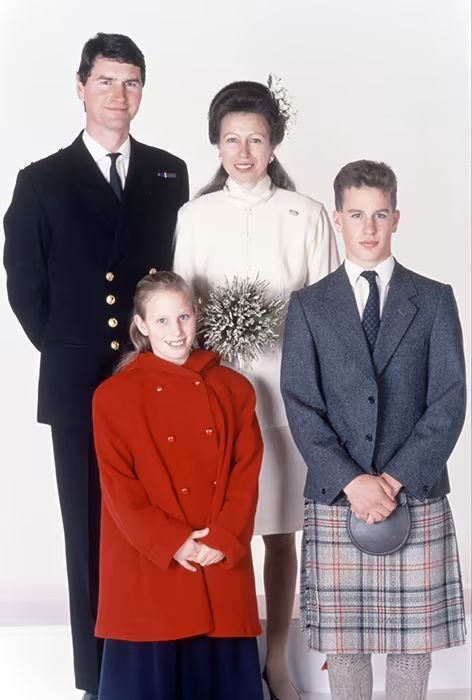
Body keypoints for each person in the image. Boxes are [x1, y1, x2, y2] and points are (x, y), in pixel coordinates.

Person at [3, 33, 188, 699]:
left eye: (132, 81)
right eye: (107, 80)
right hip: (79, 384)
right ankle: (96, 677)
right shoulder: (41, 180)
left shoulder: (169, 171)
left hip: (155, 378)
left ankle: (155, 661)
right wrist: (79, 351)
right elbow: (25, 289)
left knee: (158, 520)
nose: (119, 94)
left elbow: (175, 269)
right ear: (80, 87)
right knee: (87, 530)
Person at [173, 79, 339, 700]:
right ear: (216, 144)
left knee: (278, 531)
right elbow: (179, 307)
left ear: (274, 145)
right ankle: (227, 663)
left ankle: (275, 663)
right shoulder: (195, 215)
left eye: (256, 141)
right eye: (232, 140)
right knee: (223, 533)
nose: (243, 153)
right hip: (213, 400)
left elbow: (328, 313)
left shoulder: (305, 214)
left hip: (289, 400)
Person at [281, 160, 466, 700]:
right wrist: (353, 481)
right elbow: (300, 405)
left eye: (379, 215)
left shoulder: (434, 299)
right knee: (346, 648)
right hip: (338, 496)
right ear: (337, 219)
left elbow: (449, 400)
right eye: (356, 215)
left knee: (412, 649)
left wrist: (393, 479)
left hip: (417, 492)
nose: (368, 228)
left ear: (396, 217)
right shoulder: (310, 306)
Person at [91, 271, 264, 700]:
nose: (176, 331)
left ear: (196, 315)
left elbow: (247, 473)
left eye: (183, 316)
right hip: (151, 566)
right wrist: (174, 543)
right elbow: (120, 492)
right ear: (142, 326)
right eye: (163, 321)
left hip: (216, 557)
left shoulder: (234, 389)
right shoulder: (112, 397)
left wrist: (222, 538)